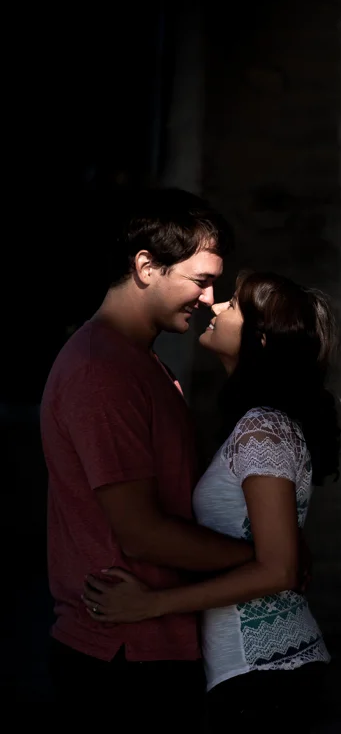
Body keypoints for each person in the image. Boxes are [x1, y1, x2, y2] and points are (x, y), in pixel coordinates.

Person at [81, 270, 341, 732]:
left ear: (261, 342)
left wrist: (151, 604)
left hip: (266, 678)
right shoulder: (258, 424)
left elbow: (278, 569)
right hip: (255, 675)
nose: (216, 306)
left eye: (235, 306)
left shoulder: (263, 428)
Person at [41, 188, 246, 728]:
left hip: (156, 646)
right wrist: (264, 563)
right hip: (122, 657)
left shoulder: (142, 363)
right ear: (145, 267)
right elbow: (141, 532)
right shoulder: (100, 370)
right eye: (200, 280)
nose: (208, 298)